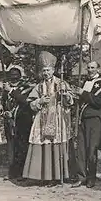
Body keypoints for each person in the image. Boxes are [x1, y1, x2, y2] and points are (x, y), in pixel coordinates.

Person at [22, 51, 74, 186]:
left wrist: (65, 95)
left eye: (48, 70)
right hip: (42, 119)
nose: (46, 73)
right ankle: (45, 175)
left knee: (56, 144)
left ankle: (58, 175)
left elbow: (70, 101)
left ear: (53, 70)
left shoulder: (61, 83)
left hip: (57, 117)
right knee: (44, 144)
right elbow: (30, 103)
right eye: (44, 70)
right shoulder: (39, 86)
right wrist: (39, 101)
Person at [71, 61, 101, 188]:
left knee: (91, 149)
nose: (90, 70)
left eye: (92, 67)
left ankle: (91, 178)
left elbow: (100, 102)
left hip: (94, 119)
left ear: (98, 69)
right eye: (88, 67)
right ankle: (81, 177)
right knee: (81, 150)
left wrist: (83, 93)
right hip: (82, 118)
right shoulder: (83, 82)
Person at [1, 66, 34, 181]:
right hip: (10, 121)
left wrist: (11, 90)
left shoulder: (26, 87)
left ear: (20, 77)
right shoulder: (6, 88)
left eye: (15, 77)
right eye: (11, 77)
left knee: (22, 146)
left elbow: (24, 101)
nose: (13, 80)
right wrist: (5, 112)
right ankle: (12, 172)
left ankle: (23, 173)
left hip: (23, 120)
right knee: (11, 146)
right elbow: (3, 103)